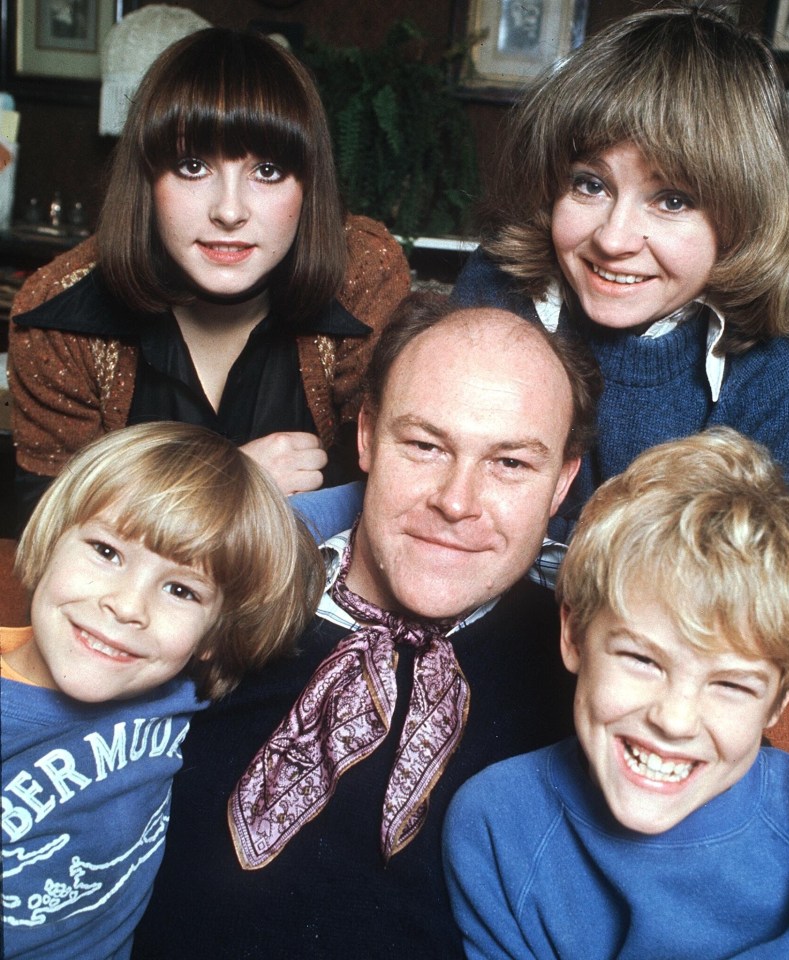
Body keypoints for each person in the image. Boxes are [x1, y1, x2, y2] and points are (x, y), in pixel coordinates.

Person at [131, 294, 603, 959]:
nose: (456, 501)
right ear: (366, 436)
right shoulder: (212, 602)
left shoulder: (595, 678)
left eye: (510, 463)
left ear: (560, 482)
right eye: (423, 444)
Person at [443, 427, 789, 959]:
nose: (674, 719)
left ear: (780, 701)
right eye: (642, 660)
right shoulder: (498, 823)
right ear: (574, 637)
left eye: (732, 685)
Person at [451, 4, 789, 538]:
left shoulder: (788, 363)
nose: (612, 239)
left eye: (673, 200)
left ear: (744, 216)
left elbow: (750, 590)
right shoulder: (497, 283)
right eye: (590, 184)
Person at [8, 27, 410, 528]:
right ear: (148, 179)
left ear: (309, 184)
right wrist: (225, 481)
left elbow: (395, 492)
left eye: (267, 171)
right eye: (192, 166)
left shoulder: (361, 276)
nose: (229, 211)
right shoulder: (58, 314)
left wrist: (144, 504)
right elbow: (49, 528)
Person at [1, 421, 322, 960]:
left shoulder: (174, 682)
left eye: (180, 590)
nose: (127, 607)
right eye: (105, 552)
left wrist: (227, 492)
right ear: (51, 537)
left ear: (213, 637)